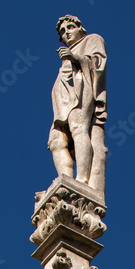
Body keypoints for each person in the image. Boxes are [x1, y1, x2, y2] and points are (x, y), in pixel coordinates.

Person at [48, 15, 107, 195]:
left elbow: (99, 63)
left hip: (81, 88)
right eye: (63, 32)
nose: (67, 33)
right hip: (62, 96)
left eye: (70, 27)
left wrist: (75, 57)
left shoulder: (92, 39)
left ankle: (82, 179)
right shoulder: (67, 54)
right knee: (56, 140)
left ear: (80, 28)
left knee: (78, 128)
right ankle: (65, 180)